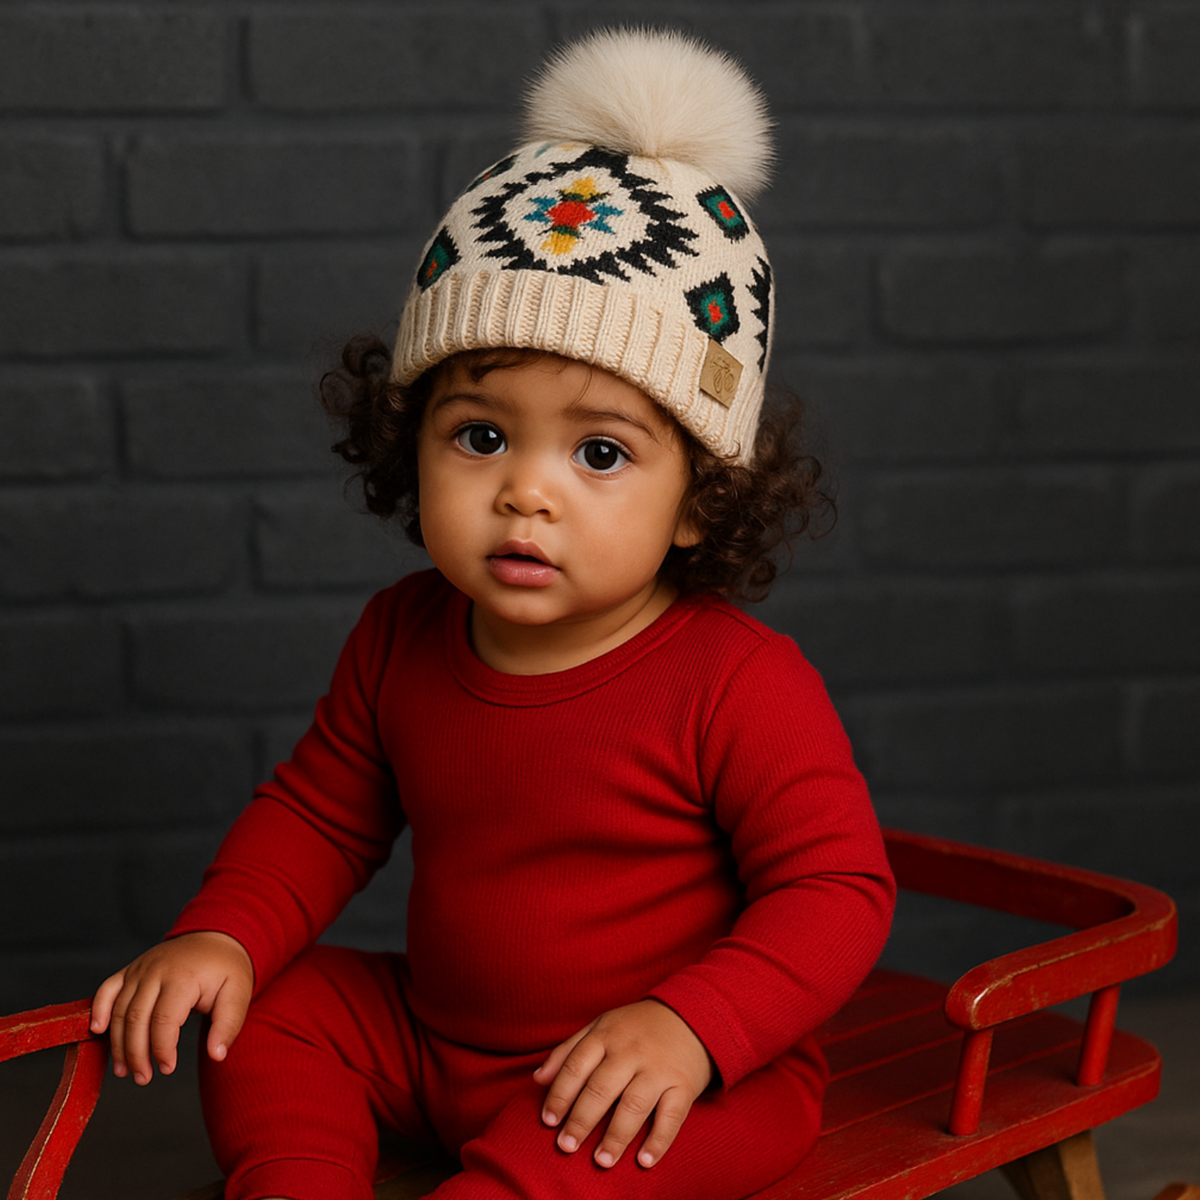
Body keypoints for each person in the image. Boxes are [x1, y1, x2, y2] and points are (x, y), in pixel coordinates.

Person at [89, 28, 896, 1200]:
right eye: (480, 436)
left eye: (603, 452)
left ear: (697, 501)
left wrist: (691, 1025)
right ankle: (296, 1179)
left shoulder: (737, 682)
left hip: (647, 1073)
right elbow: (319, 816)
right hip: (434, 1040)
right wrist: (227, 933)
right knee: (275, 1010)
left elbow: (836, 892)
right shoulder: (401, 635)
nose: (527, 489)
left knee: (647, 1136)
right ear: (408, 444)